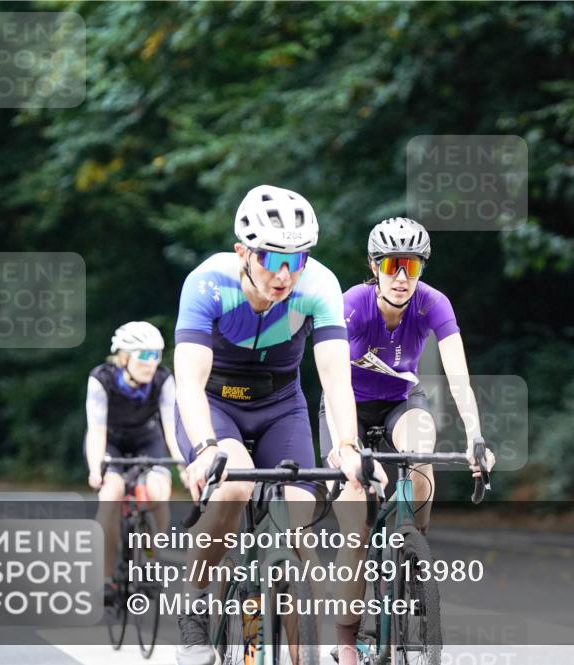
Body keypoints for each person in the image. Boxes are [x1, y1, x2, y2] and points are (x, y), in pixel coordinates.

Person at [172, 185, 379, 665]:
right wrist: (205, 447)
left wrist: (346, 445)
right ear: (243, 251)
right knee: (232, 489)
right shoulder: (207, 283)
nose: (285, 274)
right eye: (271, 257)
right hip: (216, 404)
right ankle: (194, 606)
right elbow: (188, 380)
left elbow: (334, 378)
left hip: (281, 405)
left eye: (297, 258)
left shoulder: (318, 285)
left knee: (295, 524)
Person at [318, 217, 496, 665]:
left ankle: (412, 550)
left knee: (422, 447)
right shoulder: (353, 305)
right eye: (393, 265)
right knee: (355, 522)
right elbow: (334, 375)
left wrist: (476, 437)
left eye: (411, 268)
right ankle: (345, 638)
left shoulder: (432, 304)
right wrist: (348, 446)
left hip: (400, 400)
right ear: (375, 266)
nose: (401, 277)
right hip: (347, 407)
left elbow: (459, 377)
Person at [85, 321, 184, 602]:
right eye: (145, 355)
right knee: (111, 494)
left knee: (157, 492)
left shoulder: (163, 380)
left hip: (147, 440)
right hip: (111, 442)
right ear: (124, 357)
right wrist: (96, 469)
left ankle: (152, 559)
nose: (152, 363)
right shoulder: (101, 379)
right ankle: (107, 577)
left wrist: (182, 464)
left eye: (157, 355)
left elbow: (170, 428)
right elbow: (96, 430)